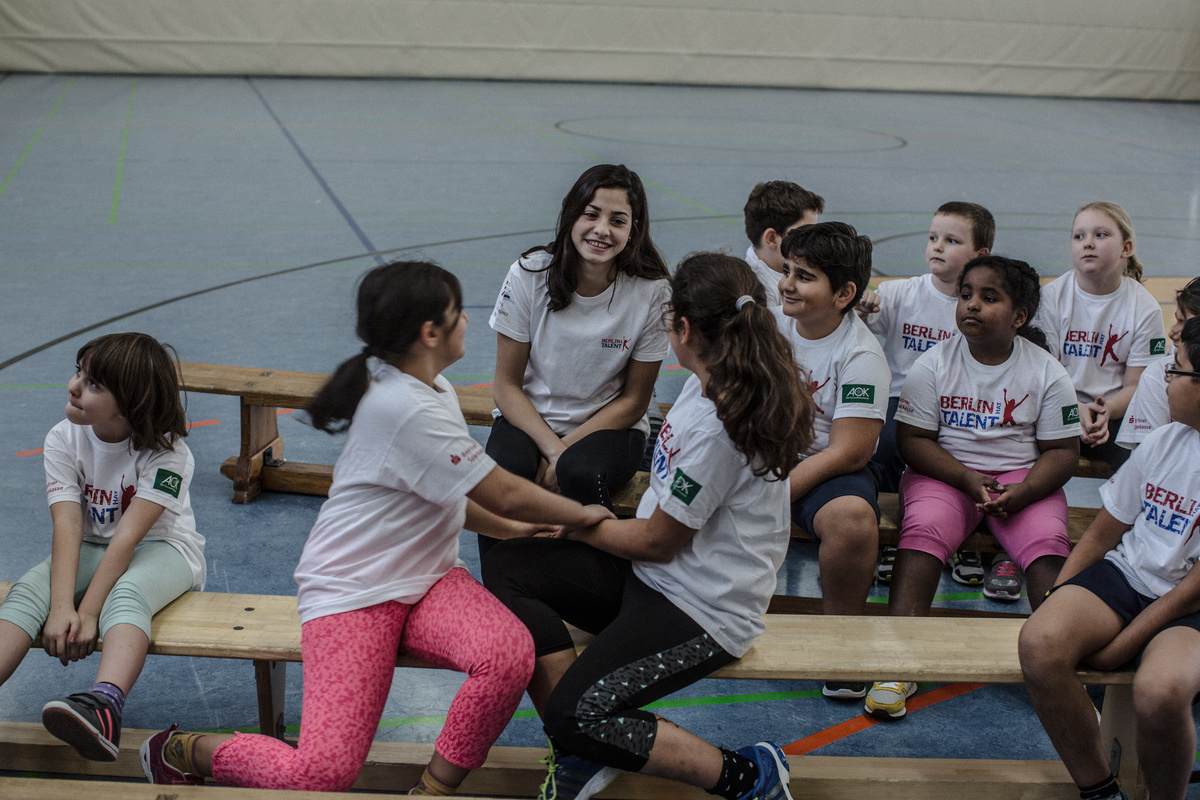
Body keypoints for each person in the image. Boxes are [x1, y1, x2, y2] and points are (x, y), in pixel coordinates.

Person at [141, 262, 613, 795]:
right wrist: (578, 512)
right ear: (430, 333)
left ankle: (432, 790)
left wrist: (508, 530)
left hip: (429, 581)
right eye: (459, 314)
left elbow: (450, 495)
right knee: (321, 775)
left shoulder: (435, 391)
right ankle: (185, 750)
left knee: (507, 655)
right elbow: (499, 488)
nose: (466, 324)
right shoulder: (402, 405)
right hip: (354, 593)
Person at [482, 252, 814, 800]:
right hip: (652, 578)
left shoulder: (721, 429)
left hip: (702, 608)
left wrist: (580, 525)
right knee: (509, 567)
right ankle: (584, 755)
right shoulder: (704, 383)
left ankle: (749, 775)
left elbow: (658, 542)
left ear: (684, 330)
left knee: (576, 715)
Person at [863, 255, 1080, 720]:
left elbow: (1062, 452)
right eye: (966, 295)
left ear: (1019, 316)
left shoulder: (1047, 372)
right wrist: (964, 477)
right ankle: (898, 661)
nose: (972, 306)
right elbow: (913, 441)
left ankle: (1060, 669)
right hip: (946, 474)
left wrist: (1022, 492)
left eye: (989, 297)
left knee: (1047, 548)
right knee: (922, 535)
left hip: (1021, 480)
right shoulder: (933, 364)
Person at [0, 332, 204, 762]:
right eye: (79, 372)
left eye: (95, 384)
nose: (74, 386)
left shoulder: (170, 455)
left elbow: (129, 537)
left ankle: (105, 706)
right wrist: (60, 607)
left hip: (164, 549)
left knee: (126, 596)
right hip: (93, 544)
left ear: (130, 403)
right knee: (29, 591)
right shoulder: (62, 437)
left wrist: (88, 611)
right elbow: (69, 526)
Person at [1019, 316, 1200, 800]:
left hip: (1189, 606)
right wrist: (1060, 595)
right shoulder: (1166, 440)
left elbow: (1191, 591)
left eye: (1177, 371)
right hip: (1128, 577)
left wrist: (1120, 649)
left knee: (1160, 693)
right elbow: (1103, 533)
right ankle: (1099, 790)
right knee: (1040, 643)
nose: (1166, 379)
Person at [483, 164, 671, 559]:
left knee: (579, 472)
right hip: (530, 419)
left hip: (610, 427)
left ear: (633, 230)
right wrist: (554, 449)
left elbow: (635, 401)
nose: (602, 229)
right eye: (591, 214)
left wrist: (566, 452)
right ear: (571, 215)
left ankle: (595, 585)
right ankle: (504, 589)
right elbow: (506, 387)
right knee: (502, 474)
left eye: (618, 220)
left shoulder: (652, 291)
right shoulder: (529, 273)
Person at [773, 221, 890, 700]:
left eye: (804, 276)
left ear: (844, 294)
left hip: (825, 467)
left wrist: (776, 495)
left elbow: (850, 450)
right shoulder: (770, 325)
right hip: (764, 454)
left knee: (852, 520)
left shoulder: (861, 355)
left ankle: (841, 640)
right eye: (786, 270)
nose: (786, 283)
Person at [856, 201, 994, 588]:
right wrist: (865, 309)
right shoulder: (900, 293)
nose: (937, 246)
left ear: (980, 254)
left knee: (963, 454)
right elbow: (861, 328)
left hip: (953, 407)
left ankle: (963, 537)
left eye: (951, 240)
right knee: (882, 447)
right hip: (899, 399)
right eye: (933, 237)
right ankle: (890, 538)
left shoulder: (979, 307)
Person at [1035, 201, 1166, 471]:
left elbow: (1136, 385)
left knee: (1146, 457)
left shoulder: (1145, 307)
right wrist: (1076, 408)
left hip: (1114, 412)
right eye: (1079, 236)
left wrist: (1106, 411)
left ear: (1126, 249)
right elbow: (1044, 373)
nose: (1088, 243)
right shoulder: (1051, 297)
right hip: (1058, 403)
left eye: (1101, 235)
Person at [1115, 276, 1200, 450]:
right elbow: (1149, 461)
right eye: (1177, 320)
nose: (1172, 332)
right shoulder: (1159, 374)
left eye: (1183, 322)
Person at [742, 180, 825, 305]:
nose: (812, 241)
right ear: (772, 239)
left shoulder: (788, 264)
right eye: (803, 234)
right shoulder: (759, 292)